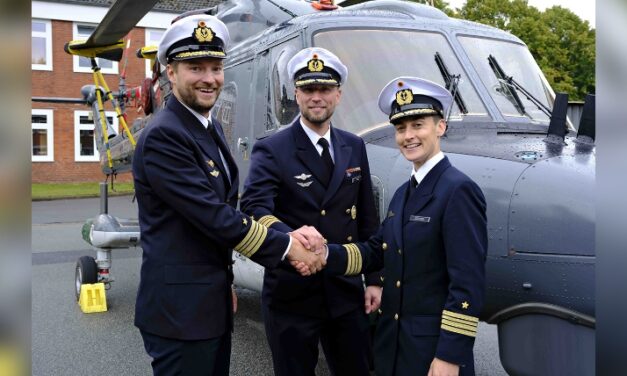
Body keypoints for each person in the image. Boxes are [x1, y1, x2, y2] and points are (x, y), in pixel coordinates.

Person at [132, 15, 324, 376]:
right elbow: (214, 217)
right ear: (170, 73)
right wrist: (288, 247)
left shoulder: (208, 125)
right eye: (195, 67)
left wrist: (223, 285)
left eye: (216, 67)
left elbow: (221, 210)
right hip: (180, 313)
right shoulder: (164, 136)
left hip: (206, 303)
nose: (209, 78)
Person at [313, 77, 488, 376]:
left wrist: (450, 355)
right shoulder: (404, 194)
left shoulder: (458, 190)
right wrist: (324, 254)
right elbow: (376, 252)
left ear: (440, 127)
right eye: (400, 128)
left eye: (418, 125)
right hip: (394, 347)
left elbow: (467, 284)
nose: (408, 136)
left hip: (432, 355)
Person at [240, 47, 382, 376]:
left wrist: (374, 280)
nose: (317, 97)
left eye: (325, 89)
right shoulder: (273, 148)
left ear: (338, 94)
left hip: (345, 290)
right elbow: (254, 206)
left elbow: (366, 216)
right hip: (292, 292)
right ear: (296, 93)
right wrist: (290, 237)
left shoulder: (354, 145)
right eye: (308, 89)